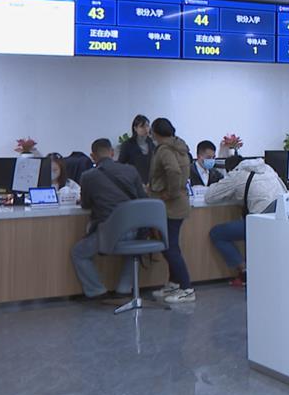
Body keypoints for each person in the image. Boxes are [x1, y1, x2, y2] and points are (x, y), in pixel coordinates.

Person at [70, 138, 146, 299]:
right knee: (133, 251)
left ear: (93, 156)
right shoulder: (131, 170)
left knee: (78, 253)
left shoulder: (88, 176)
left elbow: (86, 204)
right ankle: (124, 289)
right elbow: (142, 198)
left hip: (109, 232)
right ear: (112, 153)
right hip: (135, 230)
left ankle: (97, 291)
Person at [205, 156, 286, 286]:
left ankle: (244, 270)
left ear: (231, 169)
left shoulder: (237, 174)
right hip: (281, 219)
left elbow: (210, 196)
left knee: (217, 233)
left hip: (260, 222)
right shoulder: (267, 168)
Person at [148, 117, 195, 304]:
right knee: (171, 245)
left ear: (155, 132)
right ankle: (174, 283)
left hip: (170, 205)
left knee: (170, 247)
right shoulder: (180, 147)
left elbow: (173, 171)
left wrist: (170, 193)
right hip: (179, 203)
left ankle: (187, 289)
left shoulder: (165, 149)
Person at [118, 114, 157, 185]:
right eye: (142, 126)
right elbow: (120, 165)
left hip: (152, 181)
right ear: (135, 128)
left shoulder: (153, 143)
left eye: (147, 126)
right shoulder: (127, 145)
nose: (146, 129)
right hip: (135, 182)